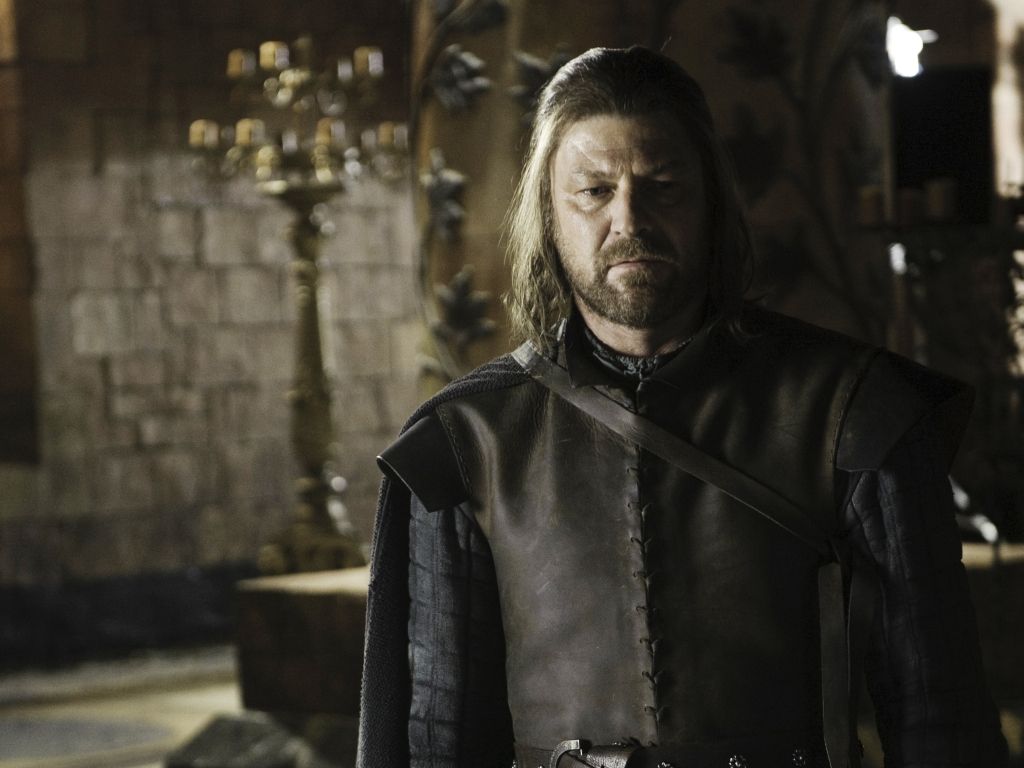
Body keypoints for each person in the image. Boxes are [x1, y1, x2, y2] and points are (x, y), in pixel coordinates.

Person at [357, 46, 1008, 768]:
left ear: (712, 202)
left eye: (662, 185)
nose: (628, 220)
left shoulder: (854, 412)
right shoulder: (466, 439)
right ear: (549, 213)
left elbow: (938, 715)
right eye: (594, 191)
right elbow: (438, 736)